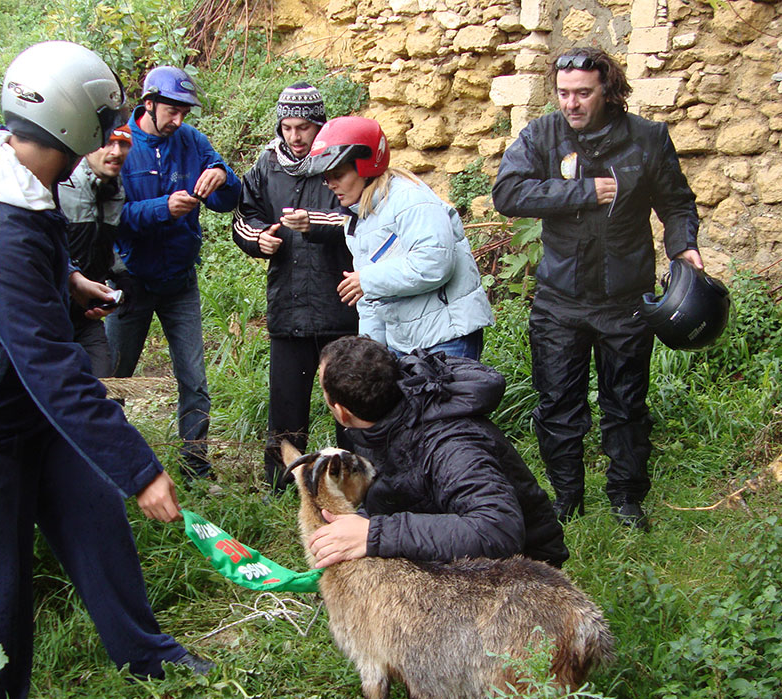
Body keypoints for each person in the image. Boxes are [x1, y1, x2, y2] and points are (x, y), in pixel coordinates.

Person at [0, 42, 210, 699]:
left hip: (19, 394)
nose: (110, 140)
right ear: (70, 126)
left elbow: (37, 244)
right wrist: (140, 469)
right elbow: (54, 371)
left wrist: (67, 280)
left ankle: (146, 656)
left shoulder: (6, 155)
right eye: (103, 126)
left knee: (96, 521)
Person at [491, 47, 702, 531]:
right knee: (557, 405)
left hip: (625, 300)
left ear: (607, 90)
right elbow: (507, 192)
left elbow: (676, 203)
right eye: (564, 93)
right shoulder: (542, 134)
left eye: (583, 93)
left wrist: (684, 246)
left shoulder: (647, 139)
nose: (572, 103)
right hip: (559, 300)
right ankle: (567, 499)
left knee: (626, 405)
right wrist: (583, 191)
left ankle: (627, 498)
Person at [305, 335, 569, 570]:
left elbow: (498, 530)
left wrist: (374, 533)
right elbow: (396, 492)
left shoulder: (451, 446)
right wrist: (356, 526)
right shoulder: (379, 417)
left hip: (523, 573)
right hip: (450, 547)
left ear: (341, 412)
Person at [108, 65, 241, 482]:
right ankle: (113, 468)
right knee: (114, 380)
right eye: (172, 111)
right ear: (148, 104)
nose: (179, 120)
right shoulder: (119, 144)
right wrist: (162, 209)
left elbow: (227, 200)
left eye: (185, 112)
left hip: (180, 281)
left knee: (194, 379)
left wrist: (223, 176)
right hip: (129, 282)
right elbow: (111, 217)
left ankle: (196, 466)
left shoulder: (191, 141)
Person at [231, 82, 358, 492]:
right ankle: (281, 486)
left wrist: (313, 223)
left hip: (339, 305)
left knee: (349, 402)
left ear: (319, 125)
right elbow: (244, 215)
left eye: (303, 127)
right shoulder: (267, 165)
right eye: (286, 127)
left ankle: (352, 486)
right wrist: (258, 239)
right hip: (288, 306)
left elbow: (359, 216)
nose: (295, 136)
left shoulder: (339, 159)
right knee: (285, 405)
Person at [300, 116, 494, 360]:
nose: (330, 184)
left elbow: (434, 262)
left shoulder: (410, 199)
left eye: (338, 175)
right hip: (403, 342)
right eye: (326, 178)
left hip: (447, 337)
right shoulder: (357, 218)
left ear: (366, 167)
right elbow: (371, 300)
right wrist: (370, 354)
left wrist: (367, 280)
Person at [56, 124, 133, 377]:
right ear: (88, 146)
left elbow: (102, 244)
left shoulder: (115, 189)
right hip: (49, 313)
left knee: (104, 389)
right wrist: (72, 281)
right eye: (108, 143)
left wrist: (121, 276)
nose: (116, 152)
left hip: (86, 317)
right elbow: (44, 247)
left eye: (124, 144)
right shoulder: (61, 183)